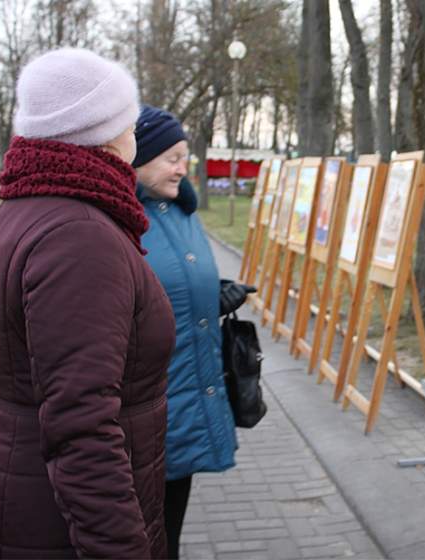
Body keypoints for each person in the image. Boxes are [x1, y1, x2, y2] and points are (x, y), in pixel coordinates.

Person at [0, 49, 174, 558]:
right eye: (130, 124)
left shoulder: (27, 206)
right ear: (106, 133)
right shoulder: (78, 234)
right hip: (58, 525)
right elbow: (81, 425)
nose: (134, 136)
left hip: (29, 498)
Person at [132, 105, 254, 558]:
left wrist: (216, 295)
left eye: (185, 157)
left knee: (168, 535)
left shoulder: (183, 212)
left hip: (184, 400)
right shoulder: (118, 217)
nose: (183, 168)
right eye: (172, 158)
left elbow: (173, 284)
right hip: (143, 411)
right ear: (138, 158)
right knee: (139, 537)